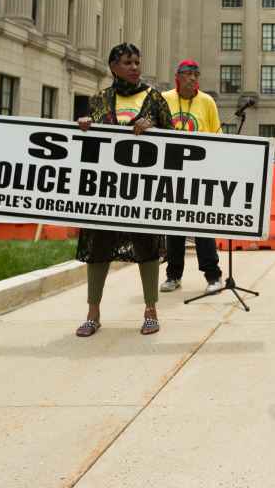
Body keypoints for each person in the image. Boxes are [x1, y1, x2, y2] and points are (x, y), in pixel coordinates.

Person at [75, 43, 172, 337]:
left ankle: (151, 311)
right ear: (113, 67)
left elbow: (175, 142)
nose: (135, 67)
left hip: (142, 191)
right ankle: (93, 313)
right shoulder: (100, 99)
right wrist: (83, 126)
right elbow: (84, 147)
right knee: (98, 249)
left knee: (147, 247)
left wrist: (154, 128)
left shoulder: (154, 99)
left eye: (137, 62)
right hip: (105, 192)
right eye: (128, 62)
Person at [160, 59, 224, 293]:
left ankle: (213, 276)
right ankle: (173, 275)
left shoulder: (207, 101)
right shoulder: (164, 99)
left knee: (203, 229)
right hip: (172, 174)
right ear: (178, 76)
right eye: (188, 74)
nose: (193, 78)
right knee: (174, 229)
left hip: (200, 175)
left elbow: (217, 134)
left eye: (196, 74)